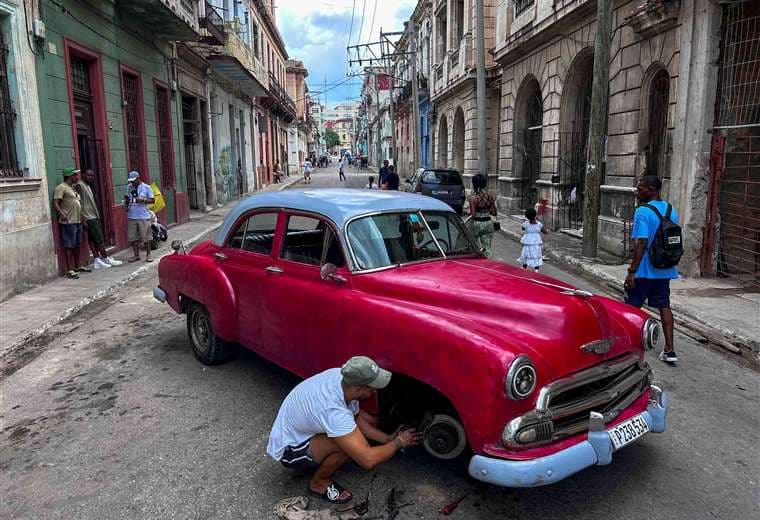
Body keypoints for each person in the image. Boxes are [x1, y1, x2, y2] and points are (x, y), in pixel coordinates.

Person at [267, 356, 421, 504]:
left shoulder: (342, 379)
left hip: (304, 428)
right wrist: (399, 443)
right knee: (346, 447)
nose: (375, 391)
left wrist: (388, 439)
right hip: (289, 449)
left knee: (367, 425)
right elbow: (368, 460)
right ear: (358, 389)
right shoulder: (334, 411)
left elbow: (354, 418)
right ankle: (319, 483)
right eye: (373, 388)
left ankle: (332, 457)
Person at [624, 175, 679, 365]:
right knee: (664, 306)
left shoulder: (642, 212)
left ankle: (626, 346)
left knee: (630, 307)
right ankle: (670, 349)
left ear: (652, 190)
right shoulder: (672, 210)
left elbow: (641, 242)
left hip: (645, 270)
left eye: (641, 189)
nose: (637, 192)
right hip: (665, 269)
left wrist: (632, 270)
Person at [76, 169, 123, 269]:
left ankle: (97, 259)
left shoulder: (87, 185)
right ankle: (105, 258)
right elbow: (78, 202)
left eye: (92, 176)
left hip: (92, 215)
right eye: (88, 175)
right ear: (83, 175)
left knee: (92, 239)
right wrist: (82, 219)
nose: (91, 177)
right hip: (88, 216)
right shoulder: (80, 185)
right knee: (99, 239)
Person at [53, 167, 88, 279]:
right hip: (68, 221)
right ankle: (69, 269)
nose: (78, 177)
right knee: (69, 245)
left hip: (77, 220)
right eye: (76, 175)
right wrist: (61, 213)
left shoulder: (72, 188)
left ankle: (77, 266)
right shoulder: (61, 188)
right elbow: (56, 202)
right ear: (70, 176)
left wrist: (83, 220)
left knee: (77, 244)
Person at [124, 170, 155, 263]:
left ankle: (148, 255)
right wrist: (126, 202)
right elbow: (127, 198)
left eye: (134, 180)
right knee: (133, 237)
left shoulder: (146, 187)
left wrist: (143, 200)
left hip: (143, 216)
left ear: (138, 178)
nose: (132, 182)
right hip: (132, 215)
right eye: (131, 181)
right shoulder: (129, 187)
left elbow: (152, 200)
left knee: (146, 237)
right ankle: (136, 255)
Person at [468, 173, 497, 258]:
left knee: (473, 246)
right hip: (488, 223)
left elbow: (472, 214)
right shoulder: (490, 197)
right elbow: (494, 212)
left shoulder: (473, 199)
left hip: (476, 224)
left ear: (474, 184)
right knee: (487, 247)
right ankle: (488, 262)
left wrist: (467, 211)